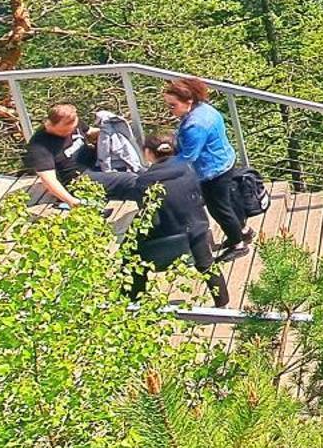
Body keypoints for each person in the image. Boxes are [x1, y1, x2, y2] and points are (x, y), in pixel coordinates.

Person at [95, 131, 229, 308]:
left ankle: (133, 302)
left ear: (148, 153)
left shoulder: (144, 182)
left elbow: (151, 215)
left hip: (168, 236)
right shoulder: (190, 169)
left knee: (130, 258)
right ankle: (223, 303)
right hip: (198, 228)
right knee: (206, 264)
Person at [161, 77, 249, 261]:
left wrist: (163, 165)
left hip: (212, 171)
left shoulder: (194, 125)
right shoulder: (206, 109)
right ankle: (243, 231)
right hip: (225, 160)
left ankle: (238, 244)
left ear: (188, 101)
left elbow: (188, 157)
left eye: (172, 105)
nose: (169, 110)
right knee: (229, 201)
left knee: (219, 209)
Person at [22, 103, 95, 207]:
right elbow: (48, 180)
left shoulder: (72, 120)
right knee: (127, 182)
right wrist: (72, 202)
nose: (70, 131)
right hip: (78, 179)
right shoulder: (39, 146)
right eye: (66, 130)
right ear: (51, 124)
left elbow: (90, 132)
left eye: (72, 128)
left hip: (95, 164)